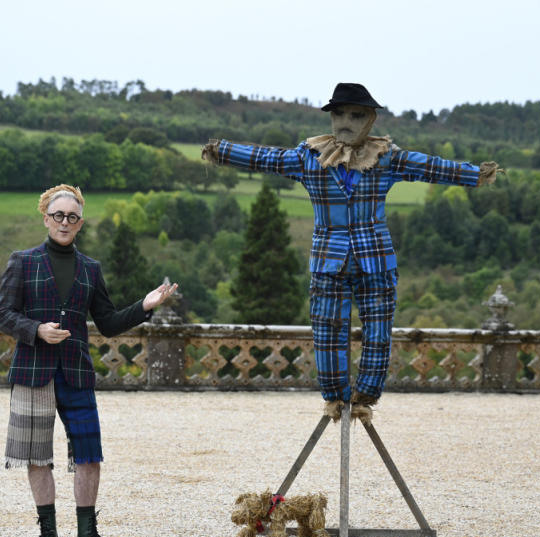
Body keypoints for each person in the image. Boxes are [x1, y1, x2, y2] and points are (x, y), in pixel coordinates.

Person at [202, 83, 501, 423]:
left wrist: (477, 174)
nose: (345, 121)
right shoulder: (309, 156)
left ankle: (365, 397)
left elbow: (430, 166)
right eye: (339, 114)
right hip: (329, 261)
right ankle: (335, 398)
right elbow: (267, 159)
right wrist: (221, 151)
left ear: (370, 119)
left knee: (378, 332)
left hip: (376, 262)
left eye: (355, 115)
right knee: (327, 333)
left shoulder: (385, 157)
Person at [0, 184, 177, 537]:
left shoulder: (90, 269)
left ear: (80, 222)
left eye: (72, 217)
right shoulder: (22, 261)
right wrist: (36, 330)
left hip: (76, 371)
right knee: (36, 457)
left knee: (89, 456)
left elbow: (107, 323)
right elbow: (2, 315)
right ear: (46, 218)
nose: (65, 222)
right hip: (33, 371)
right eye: (58, 215)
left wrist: (145, 305)